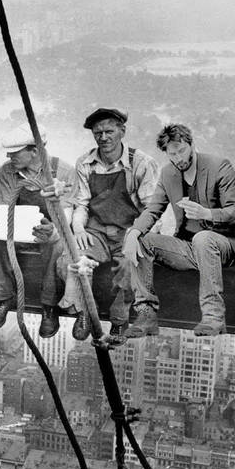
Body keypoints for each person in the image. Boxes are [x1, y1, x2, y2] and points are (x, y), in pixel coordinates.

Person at [124, 124, 235, 338]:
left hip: (226, 246)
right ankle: (146, 315)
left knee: (204, 238)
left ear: (191, 144)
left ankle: (213, 318)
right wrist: (133, 233)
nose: (178, 158)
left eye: (181, 151)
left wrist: (207, 213)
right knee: (141, 240)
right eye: (172, 154)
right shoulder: (168, 173)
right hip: (189, 248)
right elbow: (153, 209)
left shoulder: (219, 166)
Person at [57, 108, 158, 345]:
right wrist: (79, 229)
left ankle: (119, 318)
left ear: (122, 131)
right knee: (71, 259)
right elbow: (81, 203)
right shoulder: (85, 162)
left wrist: (137, 236)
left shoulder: (141, 163)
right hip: (97, 230)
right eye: (98, 133)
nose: (103, 138)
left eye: (109, 131)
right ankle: (83, 312)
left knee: (130, 266)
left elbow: (151, 209)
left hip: (130, 231)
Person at [0, 122, 74, 336]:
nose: (9, 156)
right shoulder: (8, 170)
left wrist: (52, 229)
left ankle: (49, 306)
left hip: (51, 228)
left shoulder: (63, 171)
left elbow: (68, 211)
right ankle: (2, 296)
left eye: (15, 152)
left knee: (56, 245)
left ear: (35, 151)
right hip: (19, 225)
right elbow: (5, 203)